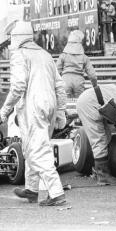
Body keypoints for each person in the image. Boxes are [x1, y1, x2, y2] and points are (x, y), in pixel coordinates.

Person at [1, 20, 67, 206]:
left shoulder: (19, 54)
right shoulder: (45, 55)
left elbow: (18, 86)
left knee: (37, 151)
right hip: (49, 106)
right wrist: (61, 112)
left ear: (16, 37)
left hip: (33, 107)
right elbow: (59, 86)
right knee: (31, 147)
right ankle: (31, 189)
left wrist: (5, 110)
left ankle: (56, 193)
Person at [76, 84, 116, 185]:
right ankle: (103, 176)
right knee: (99, 139)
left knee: (106, 137)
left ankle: (98, 170)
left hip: (92, 101)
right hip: (89, 103)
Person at [56, 30, 98, 98]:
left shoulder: (63, 56)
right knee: (79, 104)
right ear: (80, 44)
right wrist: (95, 86)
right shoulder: (85, 57)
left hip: (65, 81)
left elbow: (56, 71)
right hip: (79, 82)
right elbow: (92, 75)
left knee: (66, 105)